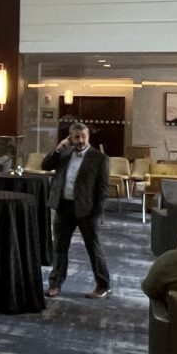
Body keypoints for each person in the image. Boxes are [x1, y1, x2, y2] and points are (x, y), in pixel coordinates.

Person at [41, 122, 113, 298]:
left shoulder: (99, 158)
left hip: (87, 210)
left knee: (93, 249)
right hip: (63, 208)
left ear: (88, 137)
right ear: (70, 138)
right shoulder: (64, 154)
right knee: (59, 248)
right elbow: (45, 166)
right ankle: (55, 284)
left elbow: (103, 189)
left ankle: (103, 286)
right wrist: (57, 150)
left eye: (83, 137)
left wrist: (97, 213)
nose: (80, 140)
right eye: (76, 137)